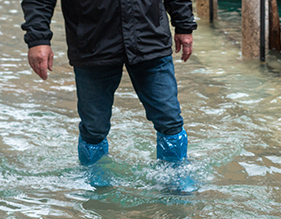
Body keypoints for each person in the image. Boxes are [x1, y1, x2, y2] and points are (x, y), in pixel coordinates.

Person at [20, 0, 197, 190]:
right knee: (94, 128)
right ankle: (96, 185)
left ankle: (175, 182)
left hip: (150, 38)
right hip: (92, 43)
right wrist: (38, 39)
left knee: (169, 119)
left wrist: (184, 24)